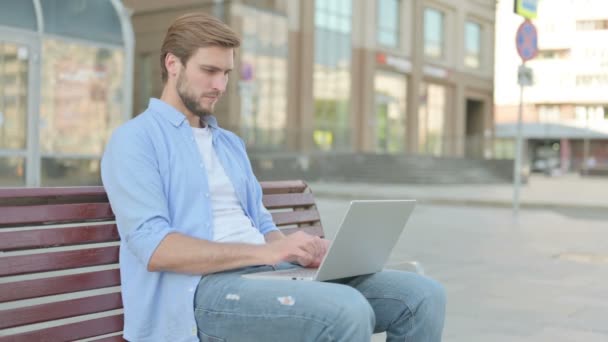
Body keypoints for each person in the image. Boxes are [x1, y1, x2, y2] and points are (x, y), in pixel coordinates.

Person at [101, 12, 445, 342]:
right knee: (345, 310)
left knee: (422, 296)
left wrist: (299, 251)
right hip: (200, 294)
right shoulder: (136, 140)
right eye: (209, 71)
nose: (220, 85)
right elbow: (156, 249)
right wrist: (267, 254)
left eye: (226, 73)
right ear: (172, 64)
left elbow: (263, 228)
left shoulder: (229, 144)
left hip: (266, 276)